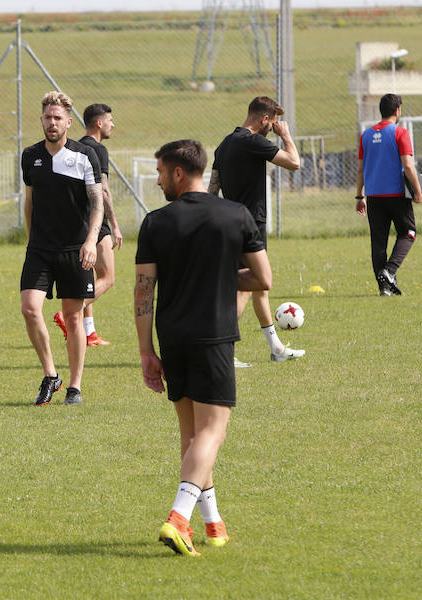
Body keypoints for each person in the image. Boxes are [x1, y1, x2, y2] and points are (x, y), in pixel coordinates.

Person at [135, 139, 272, 556]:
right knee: (213, 431)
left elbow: (143, 291)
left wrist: (146, 351)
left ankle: (211, 524)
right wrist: (223, 276)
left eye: (160, 172)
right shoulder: (236, 214)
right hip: (213, 337)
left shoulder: (155, 222)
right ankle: (178, 519)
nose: (158, 180)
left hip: (173, 338)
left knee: (192, 436)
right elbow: (263, 278)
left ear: (179, 173)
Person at [20, 91, 104, 406]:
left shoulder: (85, 155)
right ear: (41, 120)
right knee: (30, 308)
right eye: (47, 117)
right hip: (40, 248)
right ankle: (50, 374)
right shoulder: (30, 156)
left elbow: (97, 204)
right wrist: (31, 240)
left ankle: (75, 386)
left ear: (68, 122)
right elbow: (29, 201)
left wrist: (90, 242)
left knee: (73, 316)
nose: (52, 123)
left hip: (76, 248)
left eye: (58, 118)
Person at [209, 96, 304, 365]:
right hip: (249, 224)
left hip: (228, 222)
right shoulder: (253, 141)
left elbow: (212, 189)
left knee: (259, 286)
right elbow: (294, 162)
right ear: (264, 119)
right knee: (245, 286)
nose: (273, 127)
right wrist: (285, 135)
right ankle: (222, 351)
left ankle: (276, 349)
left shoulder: (225, 143)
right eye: (272, 122)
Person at [355, 93, 422, 296]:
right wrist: (418, 192)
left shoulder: (366, 135)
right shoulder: (400, 133)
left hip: (374, 197)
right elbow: (408, 166)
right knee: (408, 232)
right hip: (396, 195)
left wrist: (360, 196)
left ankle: (384, 288)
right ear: (397, 111)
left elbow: (360, 170)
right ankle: (390, 271)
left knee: (378, 242)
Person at [66, 102, 122, 347]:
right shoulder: (98, 150)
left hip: (77, 223)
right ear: (99, 123)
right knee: (107, 278)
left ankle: (89, 333)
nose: (112, 124)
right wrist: (116, 225)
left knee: (88, 278)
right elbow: (105, 191)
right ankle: (69, 313)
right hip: (97, 224)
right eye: (110, 120)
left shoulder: (75, 148)